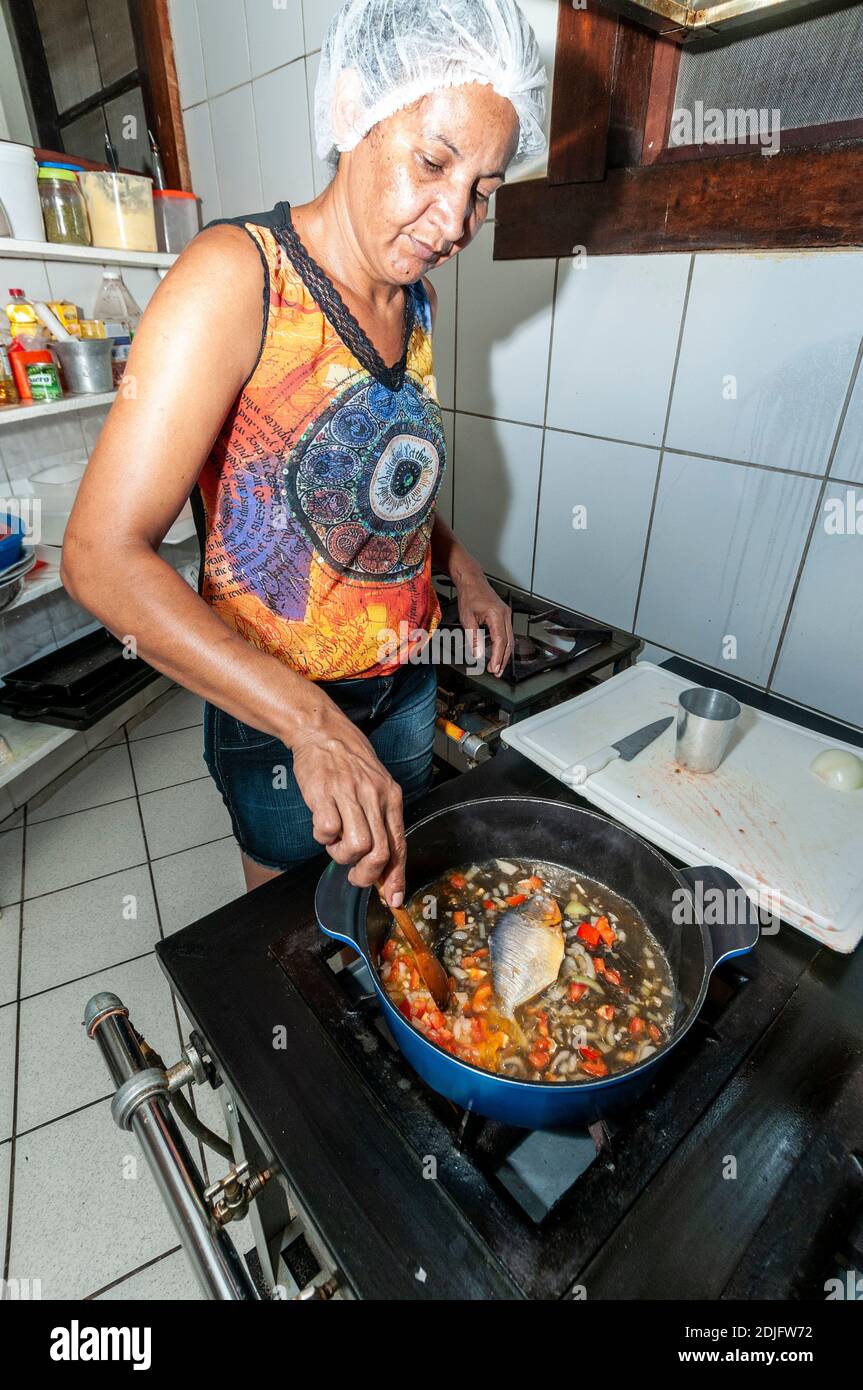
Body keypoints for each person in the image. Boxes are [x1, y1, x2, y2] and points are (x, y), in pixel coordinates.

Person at [61, 0, 547, 906]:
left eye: (482, 187)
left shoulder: (416, 298)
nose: (455, 222)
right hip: (278, 706)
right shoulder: (236, 277)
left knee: (386, 906)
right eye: (434, 163)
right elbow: (98, 558)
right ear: (351, 111)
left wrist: (464, 571)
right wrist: (308, 724)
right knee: (293, 933)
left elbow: (376, 481)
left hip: (402, 681)